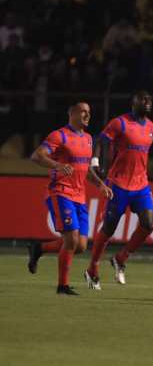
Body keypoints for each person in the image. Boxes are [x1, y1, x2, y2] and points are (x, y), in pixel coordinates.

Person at [27, 102, 113, 294]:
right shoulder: (59, 135)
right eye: (83, 111)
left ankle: (39, 248)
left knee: (80, 245)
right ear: (71, 113)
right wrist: (56, 166)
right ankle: (62, 286)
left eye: (89, 112)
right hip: (60, 192)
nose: (87, 115)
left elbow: (85, 169)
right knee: (71, 239)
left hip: (79, 196)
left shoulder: (89, 139)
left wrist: (100, 184)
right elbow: (36, 156)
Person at [84, 91, 153, 288]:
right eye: (142, 99)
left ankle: (121, 258)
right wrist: (96, 161)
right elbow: (101, 140)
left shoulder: (152, 128)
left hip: (141, 184)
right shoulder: (120, 123)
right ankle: (92, 268)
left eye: (149, 99)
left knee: (149, 223)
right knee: (109, 228)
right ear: (133, 103)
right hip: (119, 184)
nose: (147, 102)